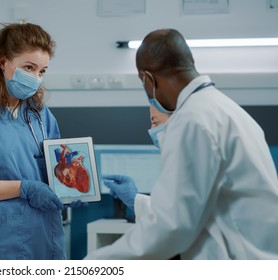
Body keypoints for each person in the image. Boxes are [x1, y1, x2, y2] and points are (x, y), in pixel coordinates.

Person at [86, 28, 278, 259]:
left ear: (148, 78)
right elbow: (201, 208)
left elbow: (172, 226)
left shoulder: (192, 119)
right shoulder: (226, 110)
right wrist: (137, 201)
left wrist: (94, 264)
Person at [0, 22, 84, 260]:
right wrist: (24, 188)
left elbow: (58, 169)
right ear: (3, 63)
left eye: (42, 71)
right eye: (29, 67)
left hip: (45, 237)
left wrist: (70, 190)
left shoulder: (40, 115)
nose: (36, 78)